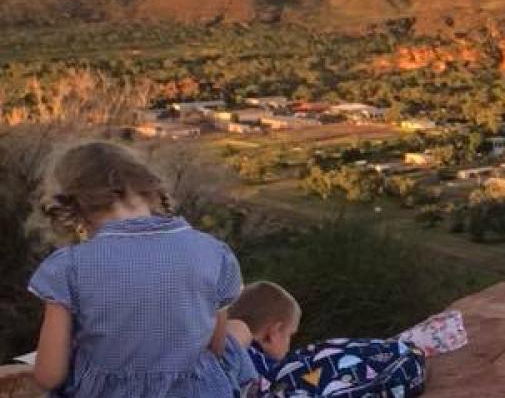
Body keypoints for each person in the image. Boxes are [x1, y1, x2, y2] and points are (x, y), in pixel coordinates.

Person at [27, 141, 244, 397]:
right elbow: (216, 348)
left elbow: (50, 375)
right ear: (148, 186)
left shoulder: (69, 267)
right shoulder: (213, 253)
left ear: (73, 206)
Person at [225, 281, 432, 398]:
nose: (289, 345)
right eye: (289, 335)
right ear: (273, 333)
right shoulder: (263, 366)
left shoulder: (224, 349)